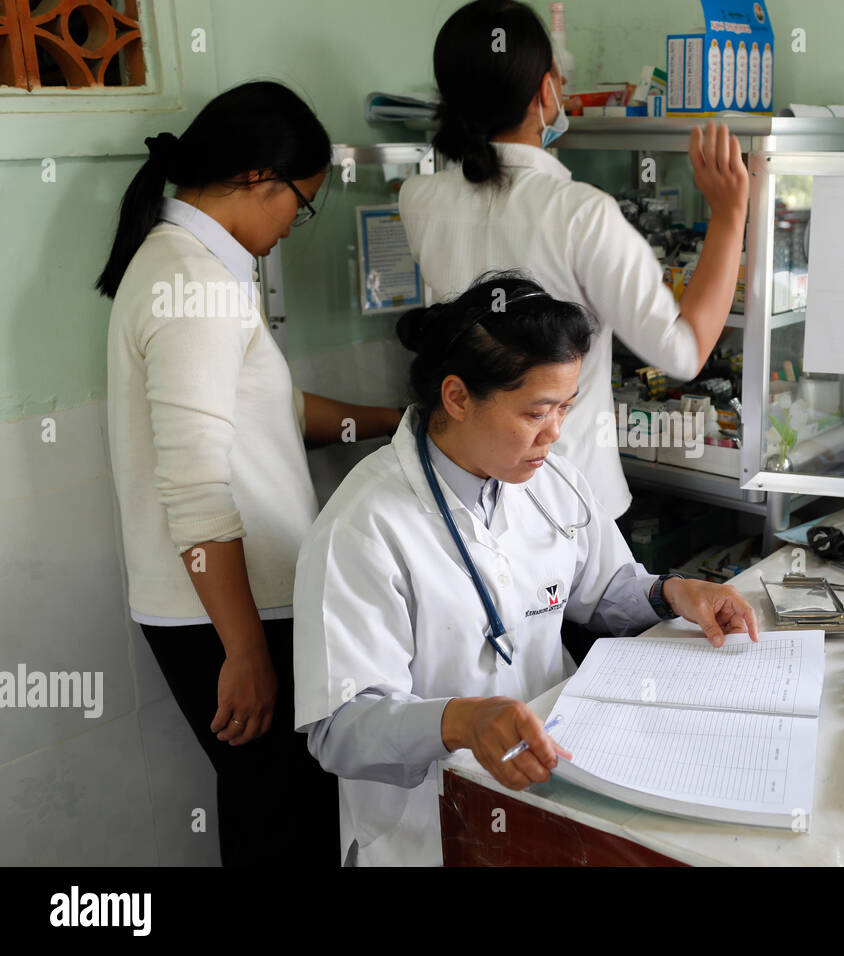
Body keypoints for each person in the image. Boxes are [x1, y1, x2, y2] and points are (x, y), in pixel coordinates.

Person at [292, 273, 760, 866]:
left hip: (552, 796)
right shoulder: (362, 527)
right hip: (425, 832)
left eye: (566, 407)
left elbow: (606, 592)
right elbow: (339, 728)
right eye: (537, 411)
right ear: (458, 397)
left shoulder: (551, 479)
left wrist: (673, 592)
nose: (555, 433)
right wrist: (458, 721)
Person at [98, 81, 404, 866]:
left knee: (275, 807)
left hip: (233, 604)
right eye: (300, 206)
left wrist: (394, 425)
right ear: (258, 177)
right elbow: (195, 485)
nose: (292, 230)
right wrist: (245, 651)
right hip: (227, 613)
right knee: (283, 819)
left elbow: (270, 410)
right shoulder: (193, 285)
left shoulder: (196, 268)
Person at [399, 0, 750, 518]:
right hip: (566, 498)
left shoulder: (418, 199)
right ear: (545, 92)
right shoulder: (581, 214)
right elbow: (684, 353)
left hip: (464, 487)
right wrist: (728, 215)